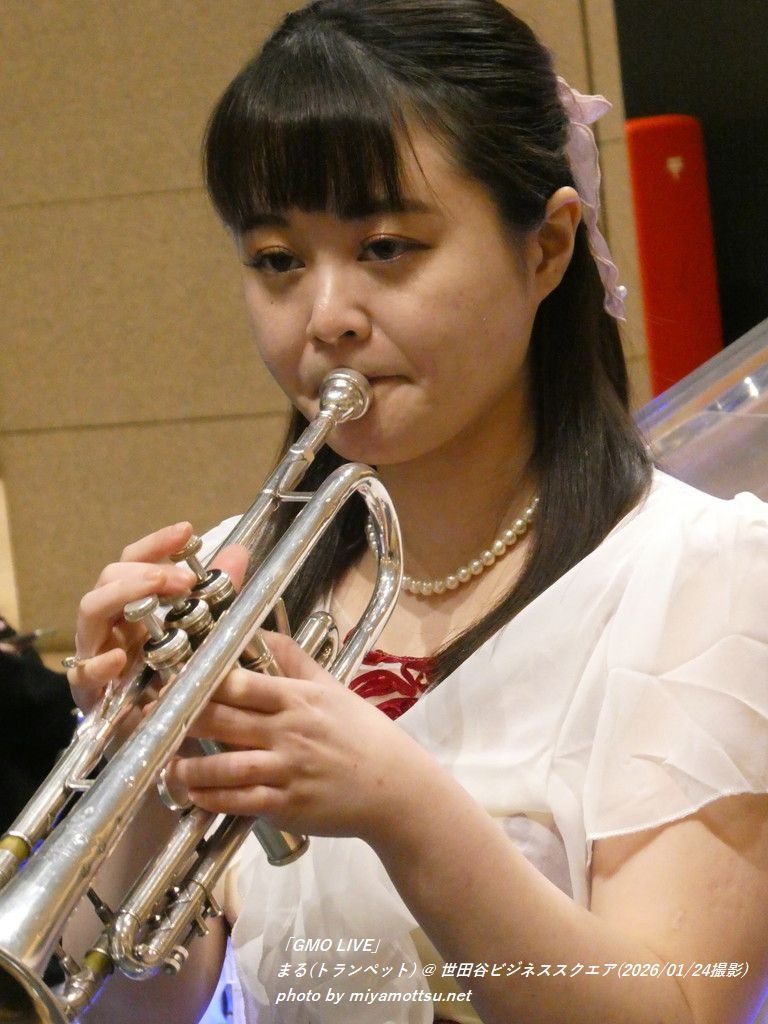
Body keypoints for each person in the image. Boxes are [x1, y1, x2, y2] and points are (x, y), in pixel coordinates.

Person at [64, 2, 768, 1022]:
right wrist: (131, 768)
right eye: (277, 260)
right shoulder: (230, 580)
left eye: (388, 246)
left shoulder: (710, 574)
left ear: (548, 248)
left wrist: (403, 808)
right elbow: (147, 1007)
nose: (327, 318)